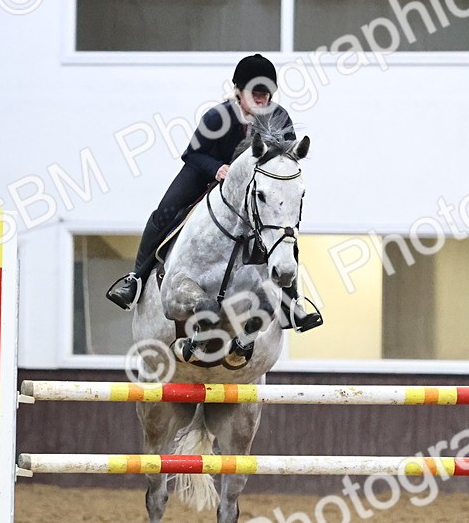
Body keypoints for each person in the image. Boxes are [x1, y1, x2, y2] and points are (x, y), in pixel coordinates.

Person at [105, 54, 322, 332]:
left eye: (265, 95)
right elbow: (192, 154)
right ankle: (135, 279)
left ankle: (292, 304)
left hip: (252, 187)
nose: (261, 101)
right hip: (207, 171)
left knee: (282, 230)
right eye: (255, 94)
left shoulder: (279, 117)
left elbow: (285, 158)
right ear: (238, 92)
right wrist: (217, 168)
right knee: (165, 213)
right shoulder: (217, 116)